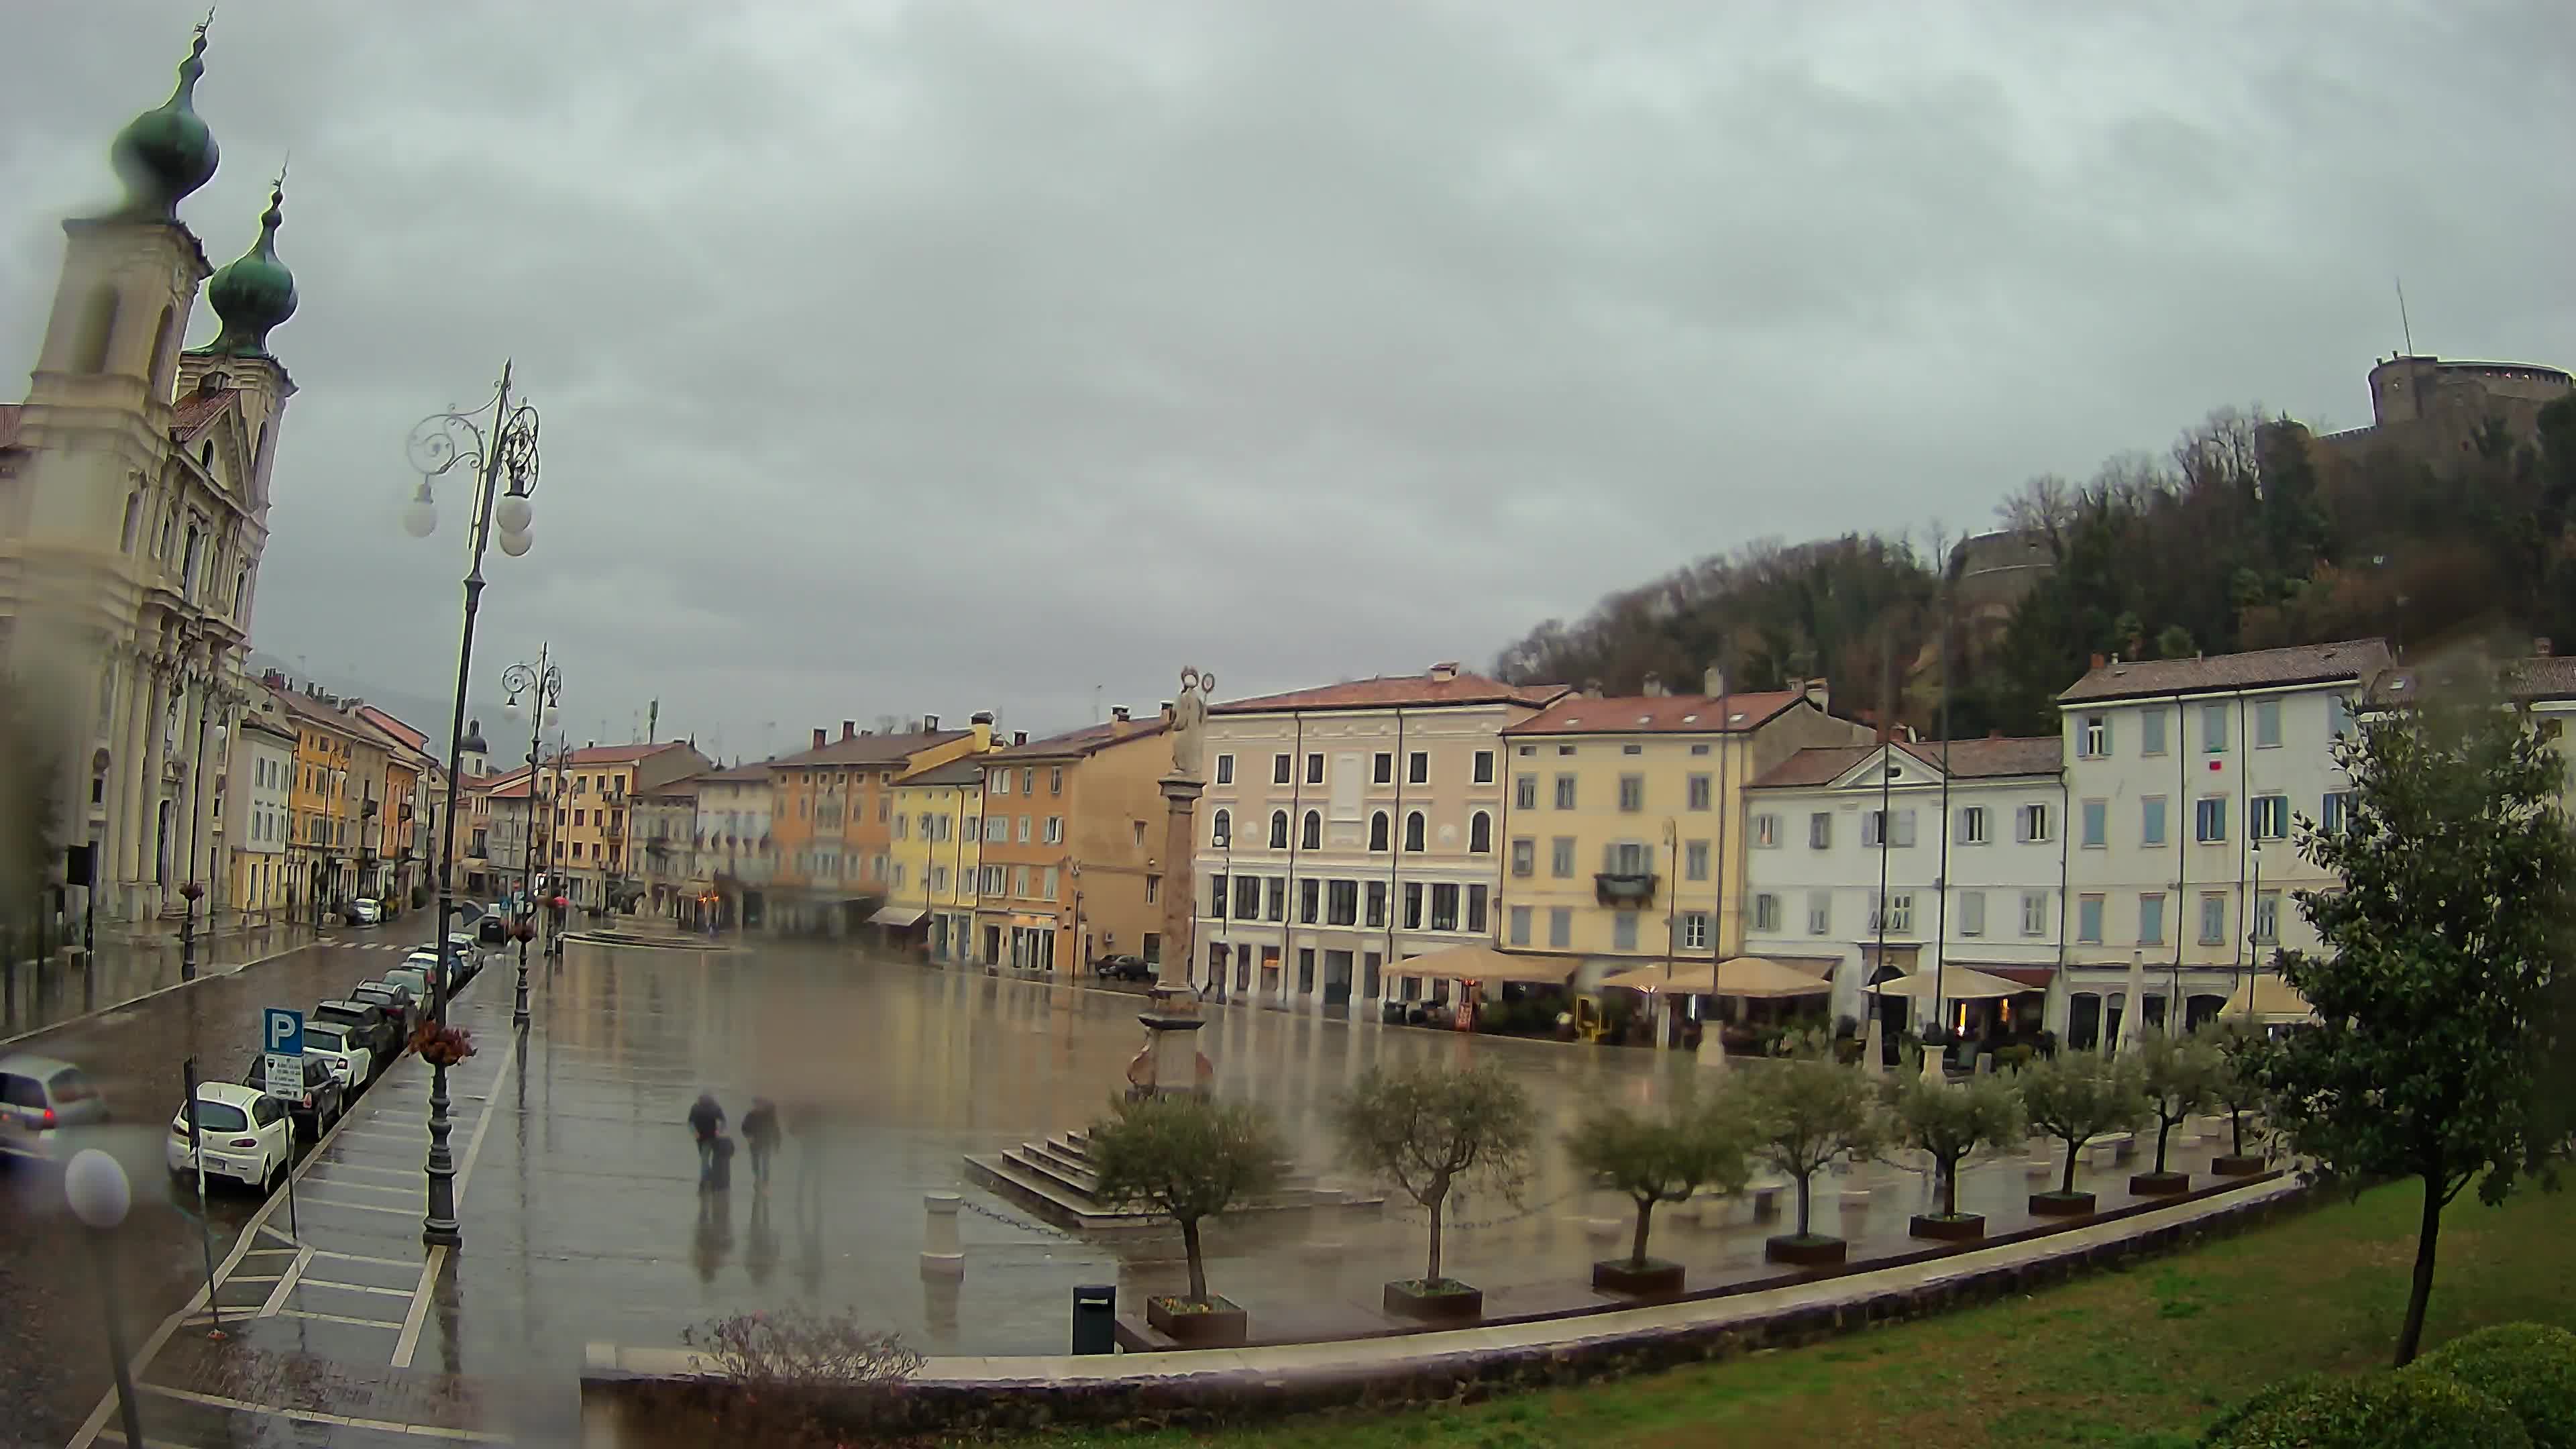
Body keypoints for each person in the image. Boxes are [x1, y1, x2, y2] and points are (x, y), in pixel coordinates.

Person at [741, 1097, 779, 1188]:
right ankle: (758, 1178)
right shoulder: (750, 1115)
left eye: (759, 1104)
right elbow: (744, 1128)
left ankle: (765, 1183)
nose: (757, 1106)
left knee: (765, 1164)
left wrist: (777, 1144)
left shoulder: (769, 1116)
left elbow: (775, 1130)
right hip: (754, 1143)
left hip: (766, 1142)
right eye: (756, 1104)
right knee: (755, 1163)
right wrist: (748, 1136)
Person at [688, 1091, 725, 1182]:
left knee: (704, 1159)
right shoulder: (715, 1107)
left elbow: (690, 1122)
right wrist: (719, 1131)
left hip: (703, 1138)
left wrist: (695, 1133)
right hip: (711, 1136)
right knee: (709, 1159)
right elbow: (723, 1121)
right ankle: (711, 1177)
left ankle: (705, 1180)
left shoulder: (696, 1108)